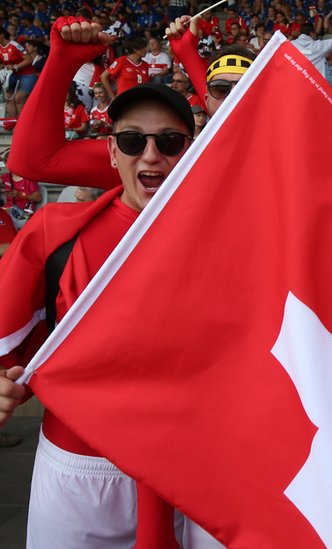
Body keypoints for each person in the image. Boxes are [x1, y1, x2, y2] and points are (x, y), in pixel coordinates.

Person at [0, 81, 194, 549]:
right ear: (111, 152)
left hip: (193, 469)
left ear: (191, 152)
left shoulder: (231, 242)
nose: (150, 156)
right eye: (132, 141)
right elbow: (10, 348)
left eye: (168, 142)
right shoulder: (55, 235)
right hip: (82, 473)